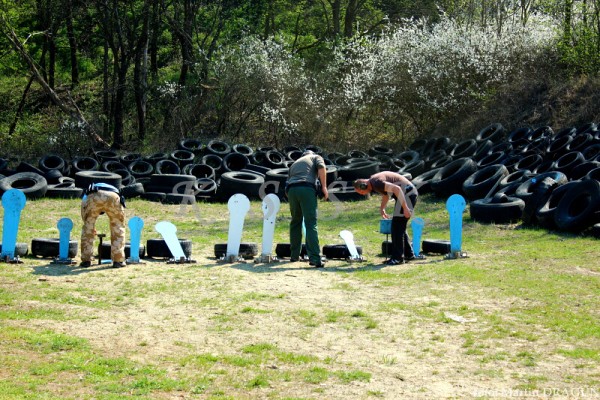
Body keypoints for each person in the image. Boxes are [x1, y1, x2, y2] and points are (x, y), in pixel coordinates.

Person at [353, 171, 418, 265]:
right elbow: (385, 195)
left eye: (361, 192)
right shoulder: (374, 183)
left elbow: (397, 189)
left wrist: (405, 208)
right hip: (406, 194)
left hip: (408, 194)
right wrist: (382, 208)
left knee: (397, 227)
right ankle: (408, 254)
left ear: (363, 185)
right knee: (399, 226)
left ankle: (398, 258)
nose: (363, 194)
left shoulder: (376, 182)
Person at [285, 150, 329, 267]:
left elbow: (287, 182)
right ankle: (314, 258)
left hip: (291, 190)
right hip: (306, 187)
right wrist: (324, 187)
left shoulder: (295, 163)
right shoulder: (315, 157)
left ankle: (294, 256)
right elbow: (321, 167)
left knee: (295, 222)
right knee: (310, 223)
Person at [79, 182, 127, 268]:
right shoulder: (113, 188)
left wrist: (89, 225)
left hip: (94, 195)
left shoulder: (86, 193)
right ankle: (118, 261)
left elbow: (84, 213)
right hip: (113, 196)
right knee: (118, 227)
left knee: (88, 227)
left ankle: (86, 260)